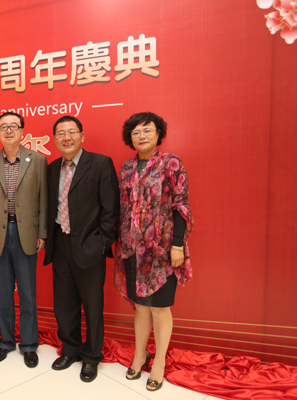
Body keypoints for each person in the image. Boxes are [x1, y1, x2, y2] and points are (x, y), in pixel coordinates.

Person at [114, 112, 193, 392]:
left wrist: (177, 245)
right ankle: (140, 355)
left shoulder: (172, 164)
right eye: (136, 132)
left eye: (147, 130)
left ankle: (159, 361)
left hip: (162, 249)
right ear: (130, 138)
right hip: (132, 248)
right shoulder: (126, 168)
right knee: (141, 307)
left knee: (160, 308)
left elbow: (181, 206)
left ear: (158, 134)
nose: (142, 136)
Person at [44, 115, 119, 383]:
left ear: (82, 136)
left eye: (71, 132)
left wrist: (100, 243)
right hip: (60, 244)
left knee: (92, 306)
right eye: (61, 133)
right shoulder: (52, 169)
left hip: (90, 245)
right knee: (64, 304)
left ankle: (91, 357)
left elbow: (111, 210)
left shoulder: (100, 163)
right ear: (55, 139)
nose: (66, 138)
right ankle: (70, 350)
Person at [0, 112, 48, 368]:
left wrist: (42, 233)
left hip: (26, 234)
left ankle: (29, 344)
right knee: (3, 294)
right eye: (3, 127)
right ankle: (6, 341)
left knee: (28, 293)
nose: (9, 130)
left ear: (22, 131)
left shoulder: (37, 160)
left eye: (14, 126)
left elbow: (43, 199)